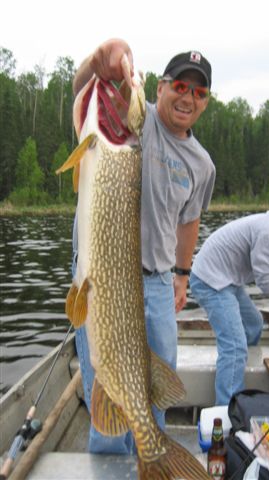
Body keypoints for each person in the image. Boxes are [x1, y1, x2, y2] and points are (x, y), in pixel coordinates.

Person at [71, 38, 216, 454]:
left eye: (199, 92)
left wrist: (183, 276)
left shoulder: (202, 164)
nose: (188, 97)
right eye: (180, 86)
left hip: (156, 283)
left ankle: (153, 454)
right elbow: (85, 89)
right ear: (159, 88)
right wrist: (99, 63)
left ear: (205, 101)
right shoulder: (136, 122)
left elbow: (190, 222)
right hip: (98, 283)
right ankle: (112, 459)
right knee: (106, 387)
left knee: (155, 387)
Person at [189, 187, 269, 406]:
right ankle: (227, 411)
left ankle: (240, 369)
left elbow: (259, 257)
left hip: (227, 279)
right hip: (211, 282)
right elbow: (268, 285)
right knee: (234, 346)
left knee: (254, 324)